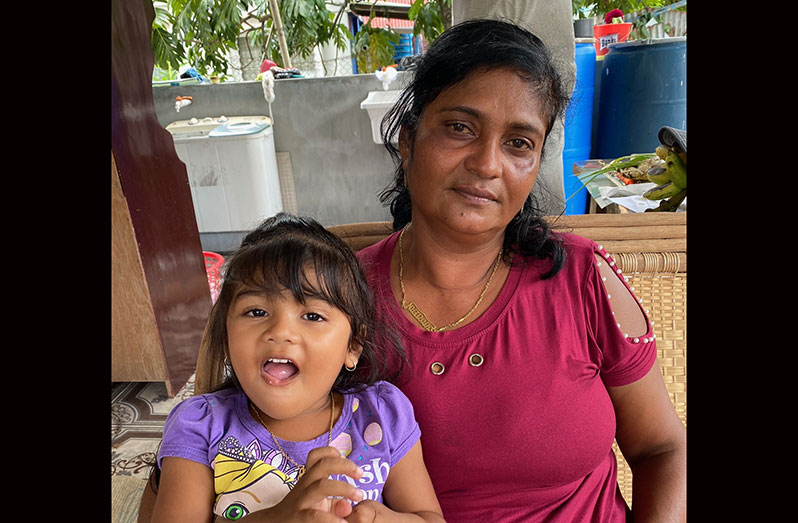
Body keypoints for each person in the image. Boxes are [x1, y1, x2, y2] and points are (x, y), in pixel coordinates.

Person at [356, 19, 686, 522]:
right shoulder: (338, 298)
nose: (488, 164)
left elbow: (663, 447)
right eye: (460, 127)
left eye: (518, 143)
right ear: (408, 139)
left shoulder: (583, 280)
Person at [148, 213, 445, 523]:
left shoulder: (383, 414)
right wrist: (278, 518)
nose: (280, 331)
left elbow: (429, 517)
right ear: (226, 337)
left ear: (353, 347)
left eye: (312, 316)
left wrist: (382, 519)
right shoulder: (201, 425)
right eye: (257, 311)